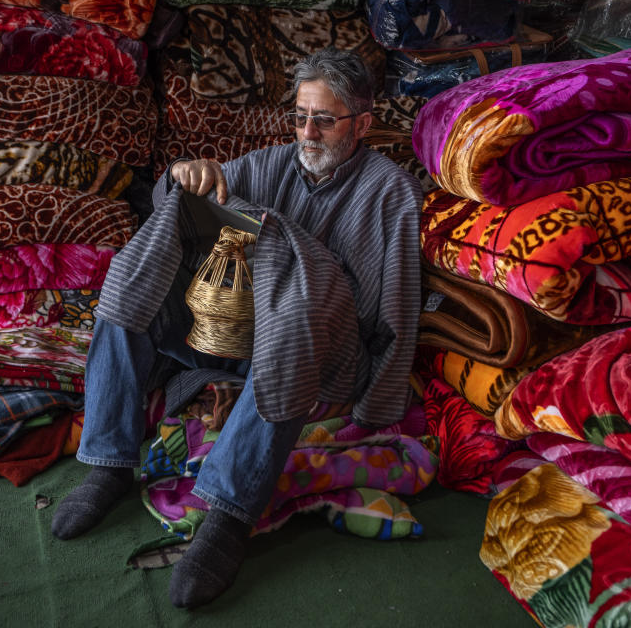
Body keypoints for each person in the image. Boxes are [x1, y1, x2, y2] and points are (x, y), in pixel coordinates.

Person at [50, 47, 423, 609]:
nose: (308, 131)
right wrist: (179, 179)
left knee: (299, 286)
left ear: (363, 123)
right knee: (138, 271)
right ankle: (109, 464)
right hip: (240, 337)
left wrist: (374, 411)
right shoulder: (269, 161)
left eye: (324, 119)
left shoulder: (391, 192)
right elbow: (190, 202)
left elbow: (396, 307)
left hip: (320, 352)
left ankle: (227, 515)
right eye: (300, 116)